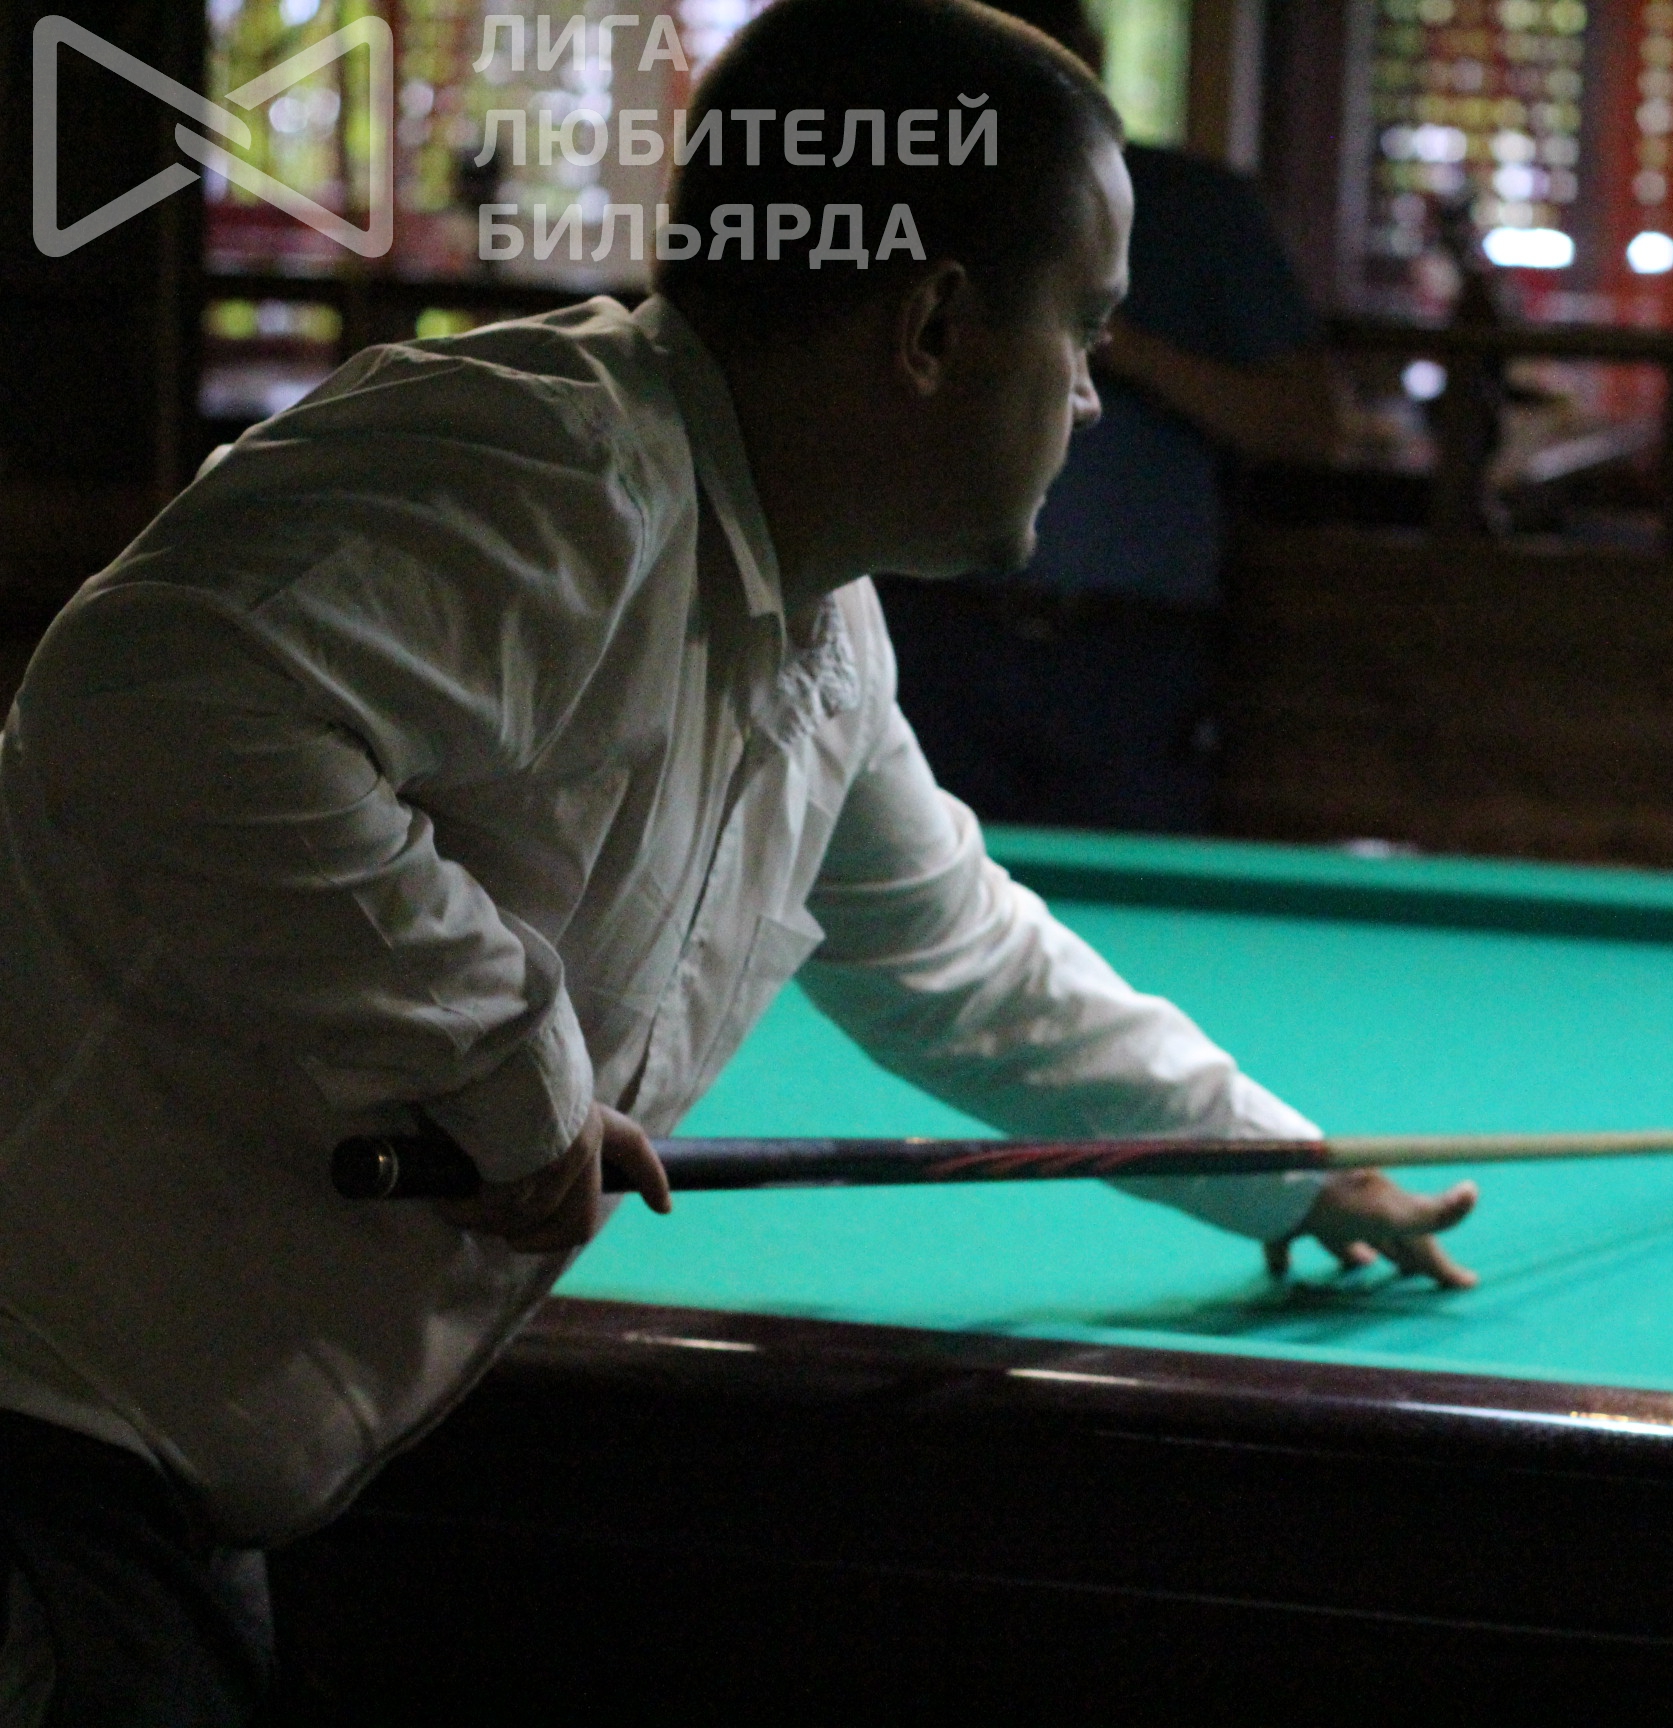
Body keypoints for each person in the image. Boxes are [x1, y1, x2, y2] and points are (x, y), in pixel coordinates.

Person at [0, 3, 1472, 1719]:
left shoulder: (816, 616)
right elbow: (143, 696)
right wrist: (502, 1057)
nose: (1086, 397)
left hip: (141, 1469)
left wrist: (1279, 1166)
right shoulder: (555, 467)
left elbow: (961, 957)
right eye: (1080, 330)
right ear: (933, 326)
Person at [873, 0, 1339, 833]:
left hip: (1127, 653)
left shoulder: (1197, 210)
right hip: (932, 632)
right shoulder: (903, 208)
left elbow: (1307, 426)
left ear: (1090, 55)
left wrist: (1101, 339)